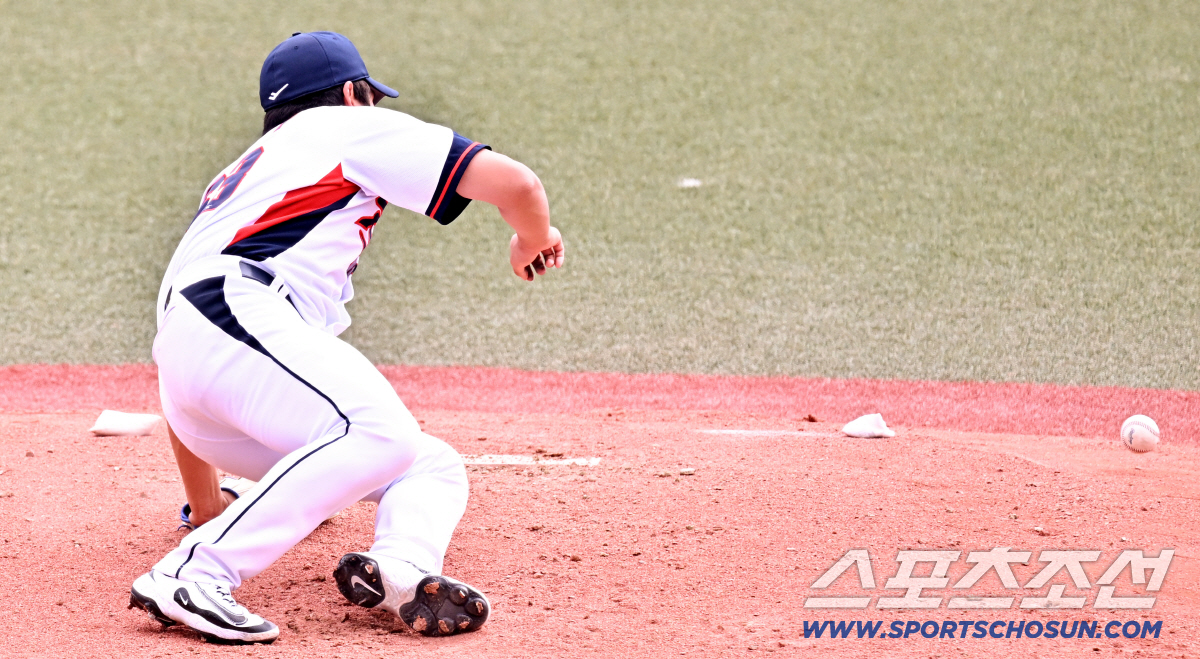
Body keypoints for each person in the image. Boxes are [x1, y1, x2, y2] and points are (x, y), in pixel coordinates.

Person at [127, 31, 564, 644]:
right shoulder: (343, 126)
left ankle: (401, 569)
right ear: (353, 94)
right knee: (379, 430)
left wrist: (204, 505)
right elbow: (518, 185)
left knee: (426, 464)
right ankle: (195, 572)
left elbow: (192, 352)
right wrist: (532, 240)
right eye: (373, 98)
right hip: (233, 316)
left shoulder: (245, 176)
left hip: (201, 380)